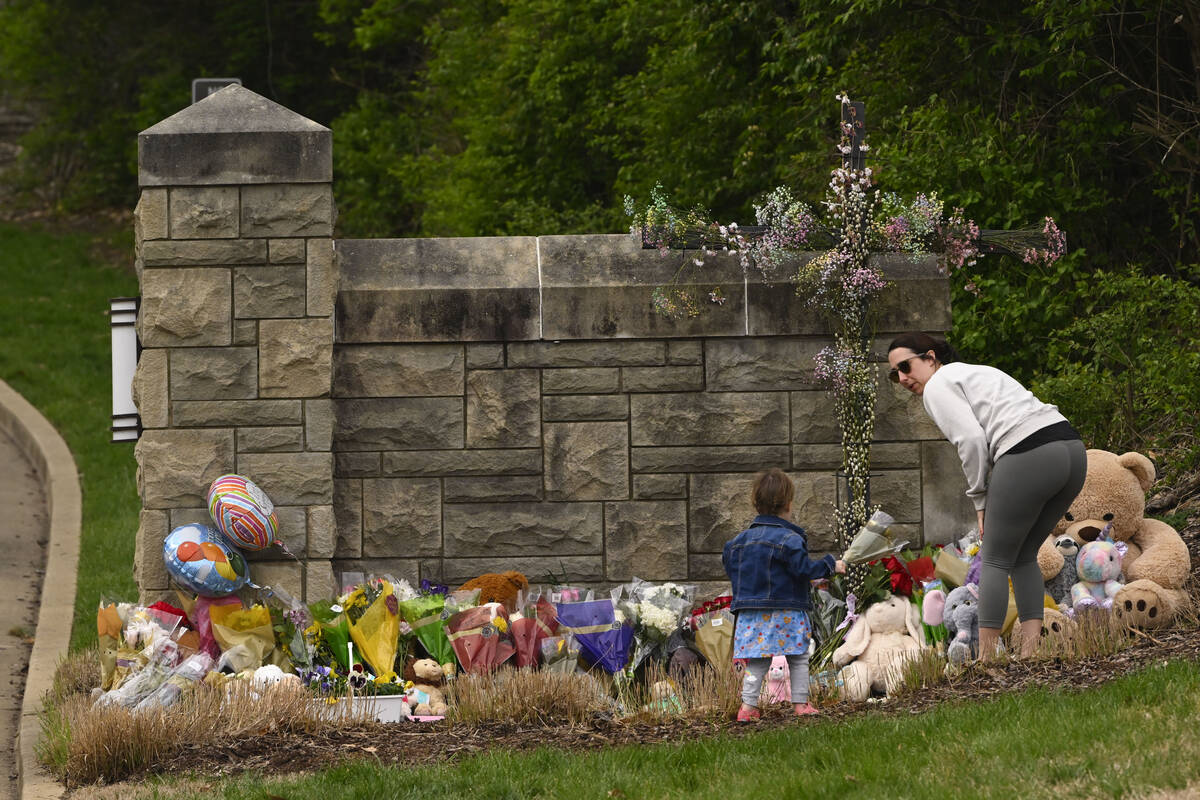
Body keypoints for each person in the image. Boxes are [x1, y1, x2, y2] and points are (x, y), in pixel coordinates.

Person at [886, 332, 1086, 659]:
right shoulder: (974, 372)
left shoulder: (938, 385)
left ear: (931, 358)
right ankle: (1031, 652)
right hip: (1072, 453)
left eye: (906, 366)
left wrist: (979, 498)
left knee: (994, 557)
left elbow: (971, 441)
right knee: (1023, 555)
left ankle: (987, 659)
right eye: (895, 374)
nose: (903, 377)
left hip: (1028, 452)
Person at [722, 468, 846, 721]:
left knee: (756, 660)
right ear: (789, 503)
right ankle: (800, 704)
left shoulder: (736, 543)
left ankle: (747, 708)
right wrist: (831, 564)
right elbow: (805, 570)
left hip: (752, 614)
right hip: (786, 611)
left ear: (755, 502)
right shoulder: (790, 539)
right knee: (798, 657)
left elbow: (731, 567)